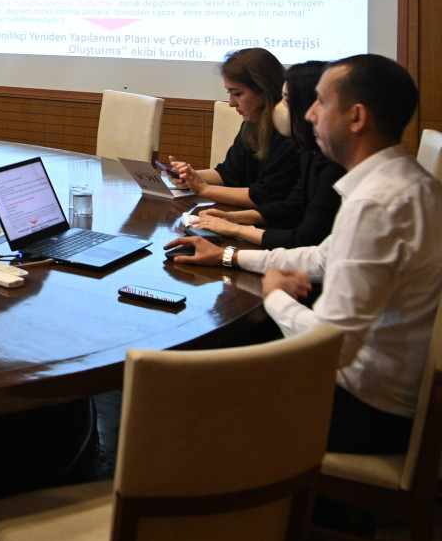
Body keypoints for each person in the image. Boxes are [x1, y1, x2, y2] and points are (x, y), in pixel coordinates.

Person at [167, 54, 442, 454]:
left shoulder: (377, 205)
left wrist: (275, 296)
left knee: (188, 391)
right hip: (381, 393)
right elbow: (322, 258)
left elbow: (333, 347)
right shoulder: (408, 182)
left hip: (366, 409)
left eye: (322, 103)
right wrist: (228, 257)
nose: (309, 115)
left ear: (357, 117)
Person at [185, 60, 344, 249]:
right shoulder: (310, 149)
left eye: (286, 100)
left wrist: (234, 231)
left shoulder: (332, 161)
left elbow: (305, 239)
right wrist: (231, 217)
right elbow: (292, 206)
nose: (280, 108)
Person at [167, 47, 298, 206]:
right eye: (229, 93)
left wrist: (203, 188)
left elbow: (265, 196)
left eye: (237, 93)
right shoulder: (252, 124)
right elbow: (228, 173)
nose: (231, 103)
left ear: (264, 89)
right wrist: (190, 176)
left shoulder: (290, 133)